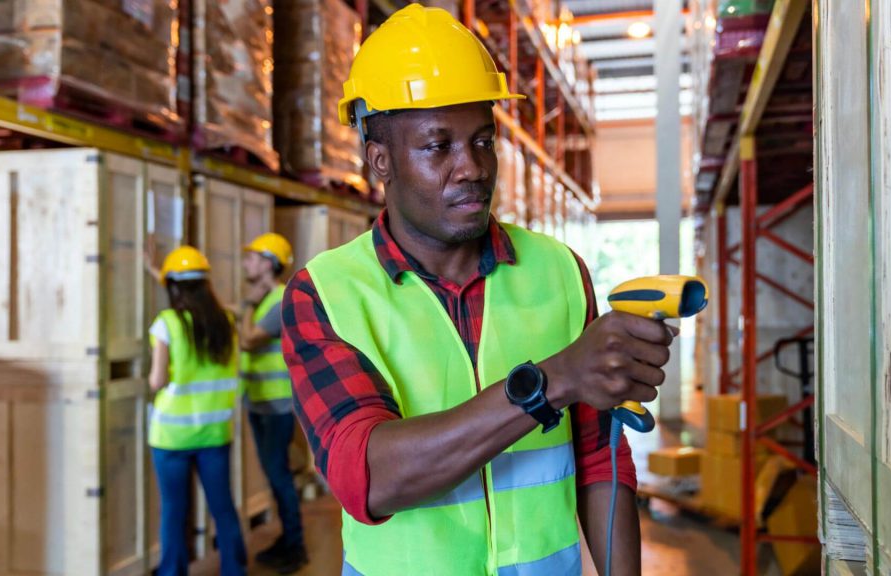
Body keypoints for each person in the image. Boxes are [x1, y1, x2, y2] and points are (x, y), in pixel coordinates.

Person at [282, 5, 672, 575]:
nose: (471, 167)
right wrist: (553, 381)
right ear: (379, 159)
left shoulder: (559, 270)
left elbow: (600, 459)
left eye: (483, 140)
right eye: (438, 146)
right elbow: (369, 476)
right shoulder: (327, 294)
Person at [147, 246, 247, 576]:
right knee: (223, 507)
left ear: (173, 287)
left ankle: (172, 571)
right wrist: (158, 272)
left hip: (171, 437)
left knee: (174, 510)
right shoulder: (227, 322)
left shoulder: (167, 324)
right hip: (214, 433)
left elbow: (157, 380)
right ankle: (234, 569)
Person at [238, 233, 309, 573]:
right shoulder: (268, 298)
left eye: (252, 257)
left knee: (279, 475)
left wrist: (248, 305)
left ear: (269, 262)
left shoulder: (278, 299)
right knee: (275, 474)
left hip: (275, 406)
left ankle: (295, 547)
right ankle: (288, 538)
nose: (246, 263)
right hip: (262, 403)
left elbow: (249, 340)